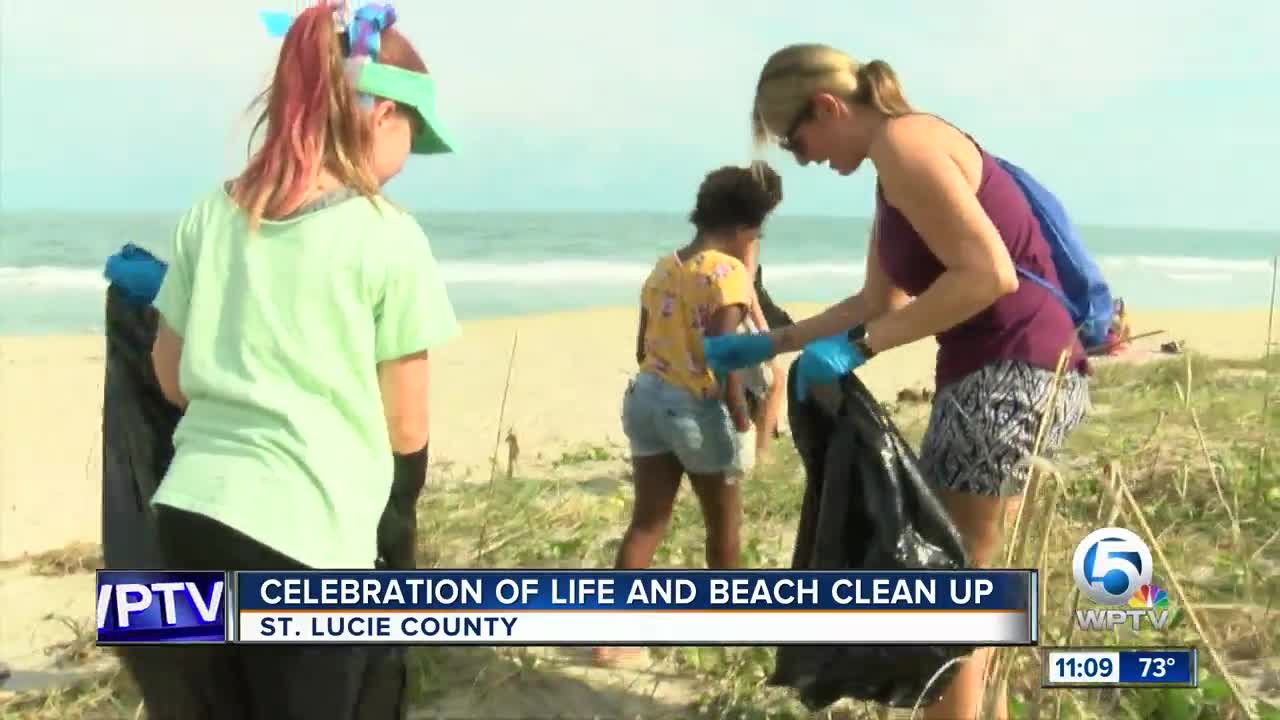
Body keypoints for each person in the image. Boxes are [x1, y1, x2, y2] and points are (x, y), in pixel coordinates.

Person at [704, 44, 1089, 720]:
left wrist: (856, 351)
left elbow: (987, 275)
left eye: (797, 142)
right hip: (1004, 365)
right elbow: (880, 301)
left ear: (827, 107)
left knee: (949, 586)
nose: (805, 159)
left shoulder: (907, 148)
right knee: (970, 584)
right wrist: (777, 341)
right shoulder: (896, 162)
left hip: (1011, 367)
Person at [126, 3, 459, 717]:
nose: (410, 159)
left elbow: (168, 375)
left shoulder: (210, 215)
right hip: (308, 548)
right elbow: (406, 425)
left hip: (186, 519)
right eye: (413, 134)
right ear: (379, 117)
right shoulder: (388, 237)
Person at [593, 164, 783, 666]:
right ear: (744, 229)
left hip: (646, 398)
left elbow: (642, 344)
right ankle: (727, 624)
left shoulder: (663, 267)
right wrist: (740, 414)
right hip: (694, 408)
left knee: (647, 523)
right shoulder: (730, 274)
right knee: (723, 525)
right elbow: (723, 358)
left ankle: (612, 637)